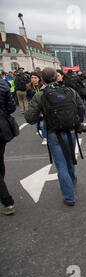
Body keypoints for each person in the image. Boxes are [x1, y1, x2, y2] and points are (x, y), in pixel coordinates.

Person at [25, 67, 85, 206]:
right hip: (71, 131)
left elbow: (30, 118)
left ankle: (69, 197)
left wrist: (42, 116)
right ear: (57, 77)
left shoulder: (41, 95)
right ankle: (72, 179)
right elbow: (80, 107)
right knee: (70, 159)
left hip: (53, 133)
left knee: (61, 165)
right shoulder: (69, 91)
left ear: (42, 79)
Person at [0, 76, 17, 215]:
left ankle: (6, 201)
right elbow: (11, 107)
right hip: (2, 127)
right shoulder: (3, 83)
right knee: (0, 161)